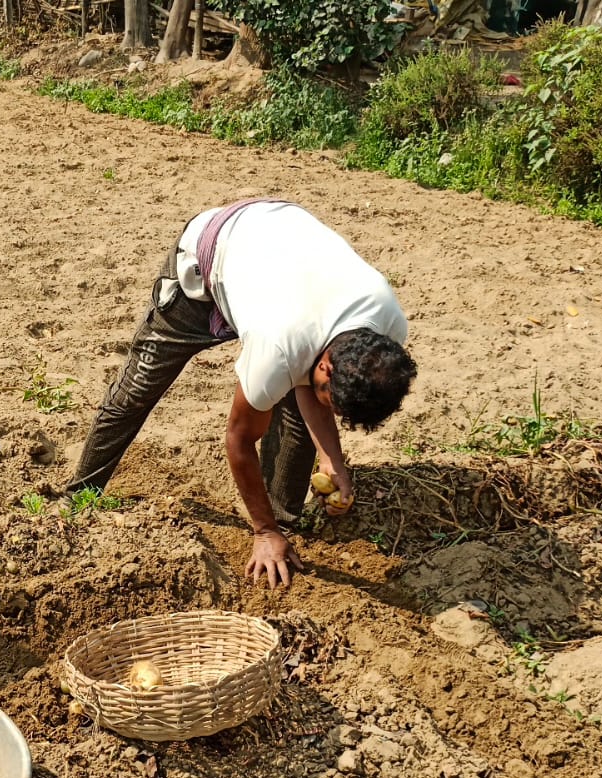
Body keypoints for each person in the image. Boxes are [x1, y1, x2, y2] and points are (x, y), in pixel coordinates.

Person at [69, 198, 417, 588]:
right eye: (329, 397)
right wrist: (262, 532)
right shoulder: (279, 346)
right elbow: (238, 439)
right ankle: (79, 495)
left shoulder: (388, 328)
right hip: (211, 257)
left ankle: (286, 522)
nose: (330, 411)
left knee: (297, 421)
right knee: (138, 389)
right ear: (325, 365)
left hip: (279, 268)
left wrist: (332, 461)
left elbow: (309, 390)